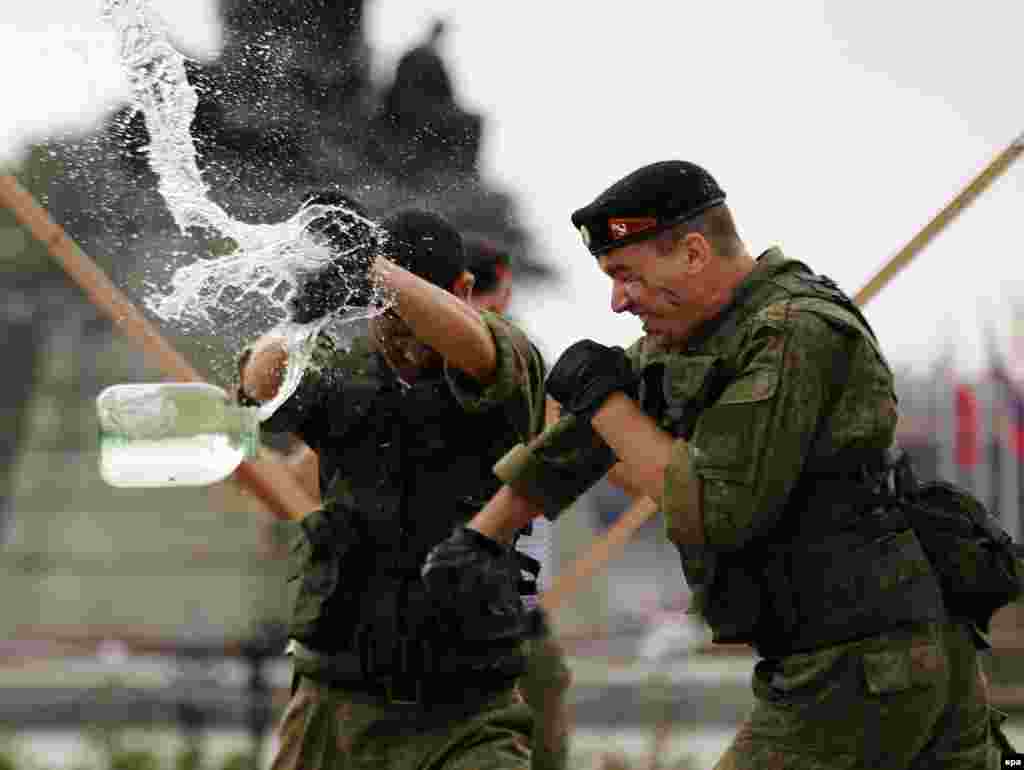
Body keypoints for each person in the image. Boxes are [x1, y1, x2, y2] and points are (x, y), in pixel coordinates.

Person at [422, 161, 1002, 768]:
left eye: (627, 276)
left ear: (694, 254)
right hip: (869, 653)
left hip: (864, 663)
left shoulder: (793, 332)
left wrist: (606, 402)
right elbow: (577, 442)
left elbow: (716, 513)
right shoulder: (697, 334)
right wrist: (477, 542)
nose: (617, 302)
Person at [239, 193, 547, 770]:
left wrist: (375, 266)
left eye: (415, 321)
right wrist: (305, 311)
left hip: (468, 709)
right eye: (387, 320)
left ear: (459, 290)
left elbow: (477, 346)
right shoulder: (347, 375)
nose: (404, 341)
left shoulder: (508, 363)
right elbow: (260, 382)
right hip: (334, 700)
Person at [464, 235, 572, 770]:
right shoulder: (525, 371)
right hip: (501, 622)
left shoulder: (402, 371)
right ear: (503, 286)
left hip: (499, 618)